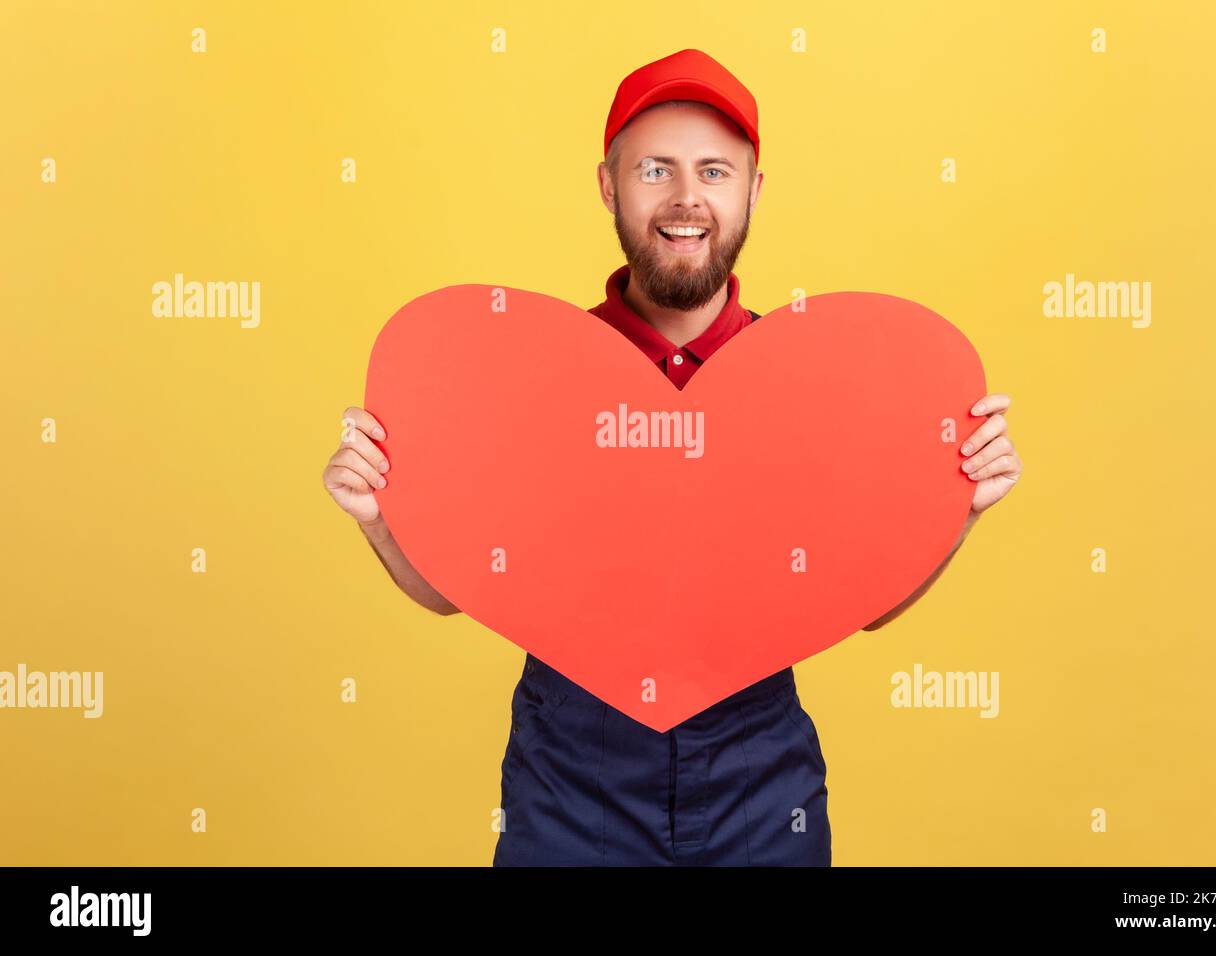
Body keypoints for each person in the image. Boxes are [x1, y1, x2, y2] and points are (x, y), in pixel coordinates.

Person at [321, 49, 1023, 866]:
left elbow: (869, 604)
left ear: (753, 191)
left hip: (762, 790)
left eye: (714, 171)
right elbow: (449, 591)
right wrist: (377, 518)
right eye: (655, 170)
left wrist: (956, 509)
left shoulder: (814, 388)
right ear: (608, 186)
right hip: (568, 790)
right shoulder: (529, 378)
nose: (687, 199)